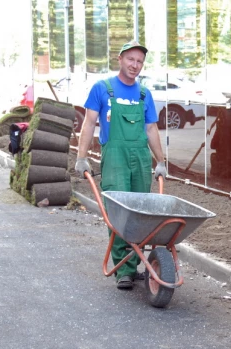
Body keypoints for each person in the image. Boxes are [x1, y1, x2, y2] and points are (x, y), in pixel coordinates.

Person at [75, 40, 167, 290]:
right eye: (131, 59)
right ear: (120, 59)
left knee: (140, 211)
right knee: (118, 211)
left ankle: (133, 262)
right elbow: (89, 123)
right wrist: (81, 157)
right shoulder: (102, 88)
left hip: (139, 158)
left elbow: (151, 128)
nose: (135, 65)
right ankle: (123, 269)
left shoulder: (144, 94)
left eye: (139, 61)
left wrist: (161, 161)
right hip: (114, 157)